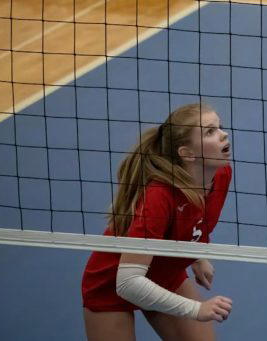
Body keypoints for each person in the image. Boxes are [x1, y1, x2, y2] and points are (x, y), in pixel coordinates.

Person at [81, 102, 234, 341]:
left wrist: (196, 255)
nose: (224, 133)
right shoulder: (159, 196)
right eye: (210, 131)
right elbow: (128, 283)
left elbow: (193, 219)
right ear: (187, 153)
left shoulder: (221, 175)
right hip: (114, 283)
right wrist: (197, 309)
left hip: (163, 272)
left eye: (220, 127)